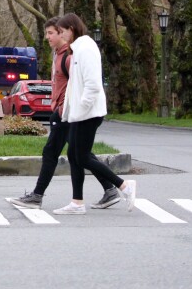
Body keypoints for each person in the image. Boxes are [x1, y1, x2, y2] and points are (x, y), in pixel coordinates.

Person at [8, 17, 121, 210]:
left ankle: (38, 196)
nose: (48, 37)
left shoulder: (70, 57)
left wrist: (70, 109)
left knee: (53, 152)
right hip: (64, 111)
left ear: (63, 33)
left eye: (51, 33)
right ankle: (108, 189)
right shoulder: (59, 55)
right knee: (79, 154)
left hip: (67, 113)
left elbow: (82, 84)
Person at [52, 13, 136, 215]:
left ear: (72, 29)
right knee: (74, 155)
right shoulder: (78, 49)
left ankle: (123, 185)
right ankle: (77, 202)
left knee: (82, 157)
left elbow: (92, 85)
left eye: (62, 31)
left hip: (88, 113)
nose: (61, 36)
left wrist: (81, 108)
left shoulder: (86, 48)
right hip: (79, 113)